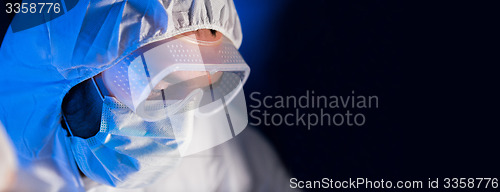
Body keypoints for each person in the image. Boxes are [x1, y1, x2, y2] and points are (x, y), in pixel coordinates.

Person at [0, 0, 289, 191]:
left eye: (202, 89)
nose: (181, 124)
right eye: (161, 88)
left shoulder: (219, 154)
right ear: (72, 75)